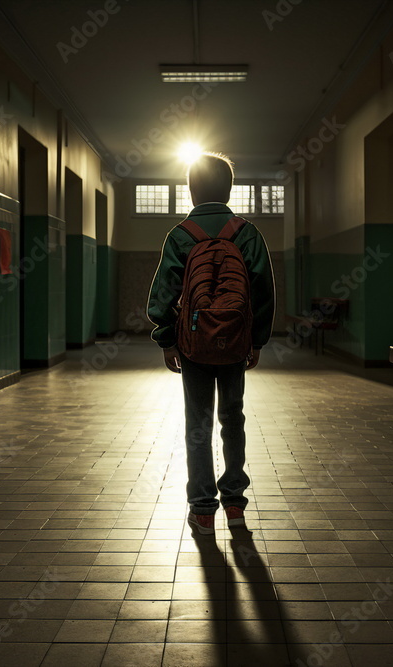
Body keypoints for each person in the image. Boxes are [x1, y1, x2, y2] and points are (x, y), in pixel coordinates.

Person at [146, 152, 275, 535]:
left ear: (191, 188)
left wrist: (167, 340)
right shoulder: (247, 233)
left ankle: (203, 508)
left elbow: (162, 295)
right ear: (229, 188)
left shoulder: (181, 234)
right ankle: (234, 503)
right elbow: (264, 292)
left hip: (193, 342)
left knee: (197, 424)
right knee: (232, 418)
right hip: (235, 342)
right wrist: (257, 341)